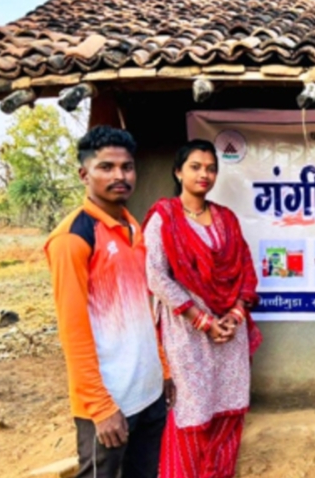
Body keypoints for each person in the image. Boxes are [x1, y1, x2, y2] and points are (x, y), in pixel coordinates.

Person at [44, 125, 175, 477]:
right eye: (106, 167)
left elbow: (142, 310)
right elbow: (73, 332)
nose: (120, 175)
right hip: (109, 402)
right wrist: (101, 407)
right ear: (83, 175)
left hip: (148, 392)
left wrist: (162, 369)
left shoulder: (134, 229)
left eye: (127, 167)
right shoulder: (72, 238)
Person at [142, 139, 262, 478]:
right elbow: (156, 276)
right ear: (178, 172)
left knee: (227, 411)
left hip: (229, 333)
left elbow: (245, 269)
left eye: (211, 168)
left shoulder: (227, 218)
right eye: (195, 167)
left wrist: (235, 315)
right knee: (192, 411)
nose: (204, 174)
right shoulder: (164, 218)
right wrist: (203, 321)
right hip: (187, 332)